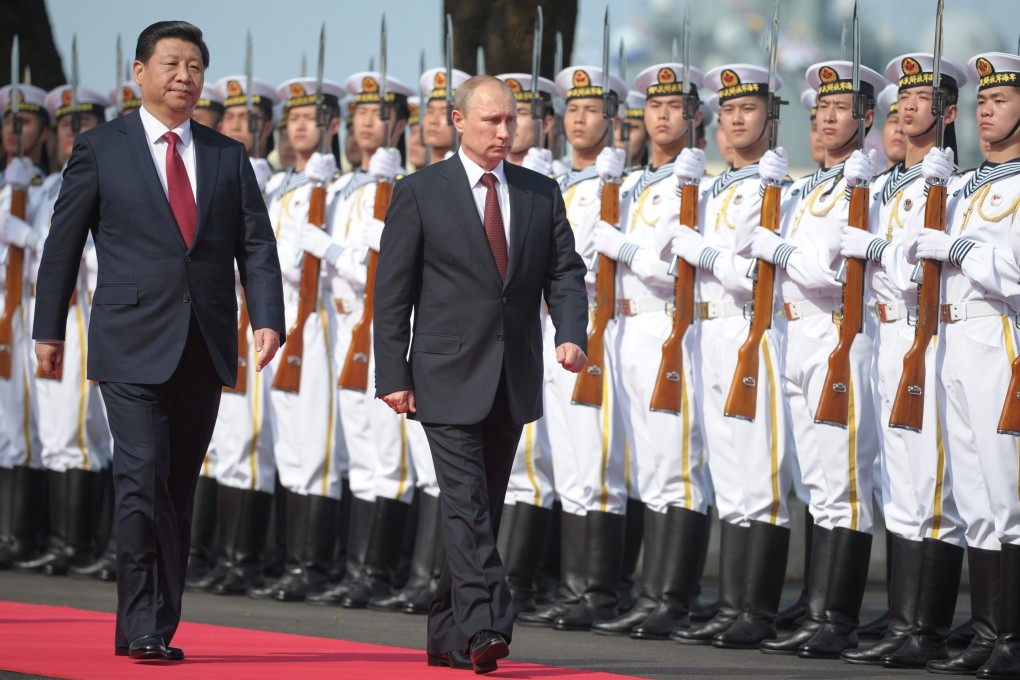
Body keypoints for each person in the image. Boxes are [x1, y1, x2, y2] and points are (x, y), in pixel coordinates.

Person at [31, 21, 285, 661]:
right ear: (138, 74)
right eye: (171, 63)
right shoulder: (100, 148)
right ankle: (143, 623)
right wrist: (48, 330)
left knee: (176, 486)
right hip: (129, 338)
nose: (184, 76)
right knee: (140, 476)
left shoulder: (226, 155)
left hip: (202, 341)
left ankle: (152, 625)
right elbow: (63, 245)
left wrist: (267, 317)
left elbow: (255, 242)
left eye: (195, 66)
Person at [373, 74, 589, 673]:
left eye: (511, 119)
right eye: (491, 119)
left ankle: (445, 635)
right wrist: (393, 370)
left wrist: (571, 333)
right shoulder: (420, 192)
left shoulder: (540, 192)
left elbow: (565, 273)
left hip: (511, 373)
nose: (504, 130)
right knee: (466, 504)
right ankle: (487, 622)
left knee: (481, 509)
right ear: (458, 120)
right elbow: (392, 292)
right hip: (442, 374)